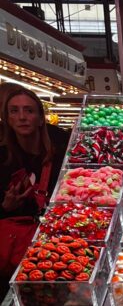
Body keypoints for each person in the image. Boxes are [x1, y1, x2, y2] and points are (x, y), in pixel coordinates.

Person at [0, 87, 70, 292]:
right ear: (7, 118)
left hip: (60, 241)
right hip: (16, 251)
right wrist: (5, 206)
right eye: (14, 111)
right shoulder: (2, 159)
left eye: (29, 111)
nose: (22, 117)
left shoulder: (64, 149)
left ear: (41, 119)